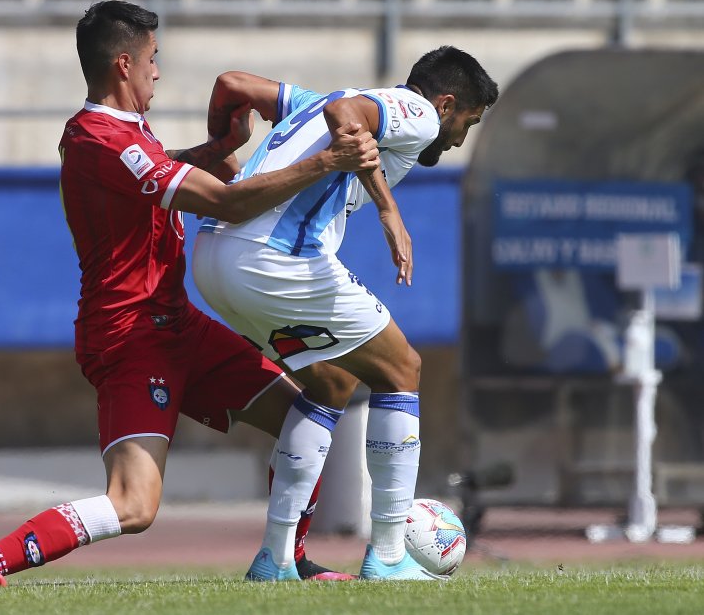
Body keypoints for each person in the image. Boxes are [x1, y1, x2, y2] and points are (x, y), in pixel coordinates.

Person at [0, 0, 380, 586]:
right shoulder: (99, 139)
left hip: (177, 324)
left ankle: (285, 561)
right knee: (134, 506)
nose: (157, 72)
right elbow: (227, 202)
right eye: (153, 59)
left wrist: (215, 152)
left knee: (308, 414)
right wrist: (328, 161)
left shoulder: (122, 136)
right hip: (129, 335)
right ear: (123, 64)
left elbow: (158, 173)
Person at [192, 47, 498, 580]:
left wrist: (225, 145)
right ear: (446, 105)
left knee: (330, 384)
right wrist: (388, 209)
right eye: (466, 124)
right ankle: (387, 554)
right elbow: (347, 116)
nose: (458, 140)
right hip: (272, 258)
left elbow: (231, 82)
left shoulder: (311, 101)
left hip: (215, 259)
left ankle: (277, 559)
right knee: (402, 369)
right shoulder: (417, 112)